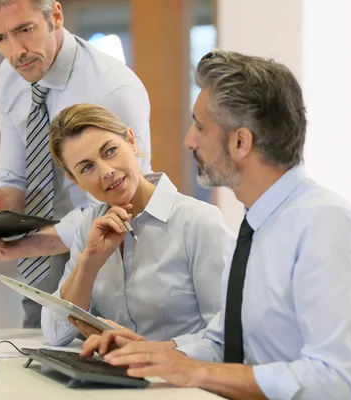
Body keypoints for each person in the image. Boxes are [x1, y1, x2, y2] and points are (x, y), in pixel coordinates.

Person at [79, 51, 351, 400]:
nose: (190, 140)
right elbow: (223, 341)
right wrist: (151, 353)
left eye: (200, 126)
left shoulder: (327, 226)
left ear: (241, 142)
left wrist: (198, 372)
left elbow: (332, 381)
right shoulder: (258, 225)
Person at [0, 0, 152, 328]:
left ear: (55, 15)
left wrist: (23, 247)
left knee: (95, 358)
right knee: (38, 352)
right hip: (41, 259)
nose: (15, 51)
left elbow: (119, 206)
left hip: (110, 255)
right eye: (0, 38)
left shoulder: (111, 89)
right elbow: (16, 177)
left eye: (24, 30)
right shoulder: (10, 77)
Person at [39, 103, 234, 347]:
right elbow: (55, 334)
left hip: (181, 380)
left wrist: (150, 352)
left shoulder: (198, 222)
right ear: (74, 180)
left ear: (131, 141)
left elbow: (230, 334)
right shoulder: (89, 226)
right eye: (87, 167)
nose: (107, 171)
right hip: (116, 378)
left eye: (110, 151)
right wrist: (89, 262)